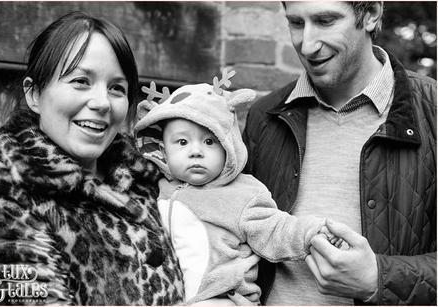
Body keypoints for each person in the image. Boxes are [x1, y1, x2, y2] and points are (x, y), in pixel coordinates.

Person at [0, 11, 185, 305]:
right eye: (80, 81)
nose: (102, 103)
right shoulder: (2, 191)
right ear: (34, 93)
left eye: (116, 88)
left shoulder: (150, 177)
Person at [243, 1, 436, 305]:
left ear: (371, 14)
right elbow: (237, 229)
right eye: (296, 23)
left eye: (325, 20)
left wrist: (380, 278)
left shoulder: (433, 112)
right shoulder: (263, 116)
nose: (307, 45)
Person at [133, 72, 341, 305]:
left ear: (227, 145)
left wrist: (313, 232)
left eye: (209, 141)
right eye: (182, 142)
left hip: (222, 298)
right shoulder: (154, 189)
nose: (196, 151)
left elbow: (277, 228)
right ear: (162, 150)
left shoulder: (242, 194)